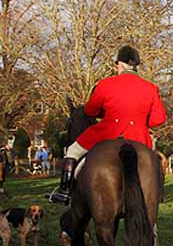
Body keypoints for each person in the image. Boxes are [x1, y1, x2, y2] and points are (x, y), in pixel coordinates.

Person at [49, 45, 166, 204]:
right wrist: (142, 122)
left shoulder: (106, 84)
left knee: (72, 151)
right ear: (135, 66)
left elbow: (90, 110)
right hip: (139, 137)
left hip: (107, 132)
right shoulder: (151, 88)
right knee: (152, 164)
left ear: (120, 64)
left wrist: (104, 113)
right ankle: (156, 198)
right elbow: (159, 119)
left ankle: (64, 192)